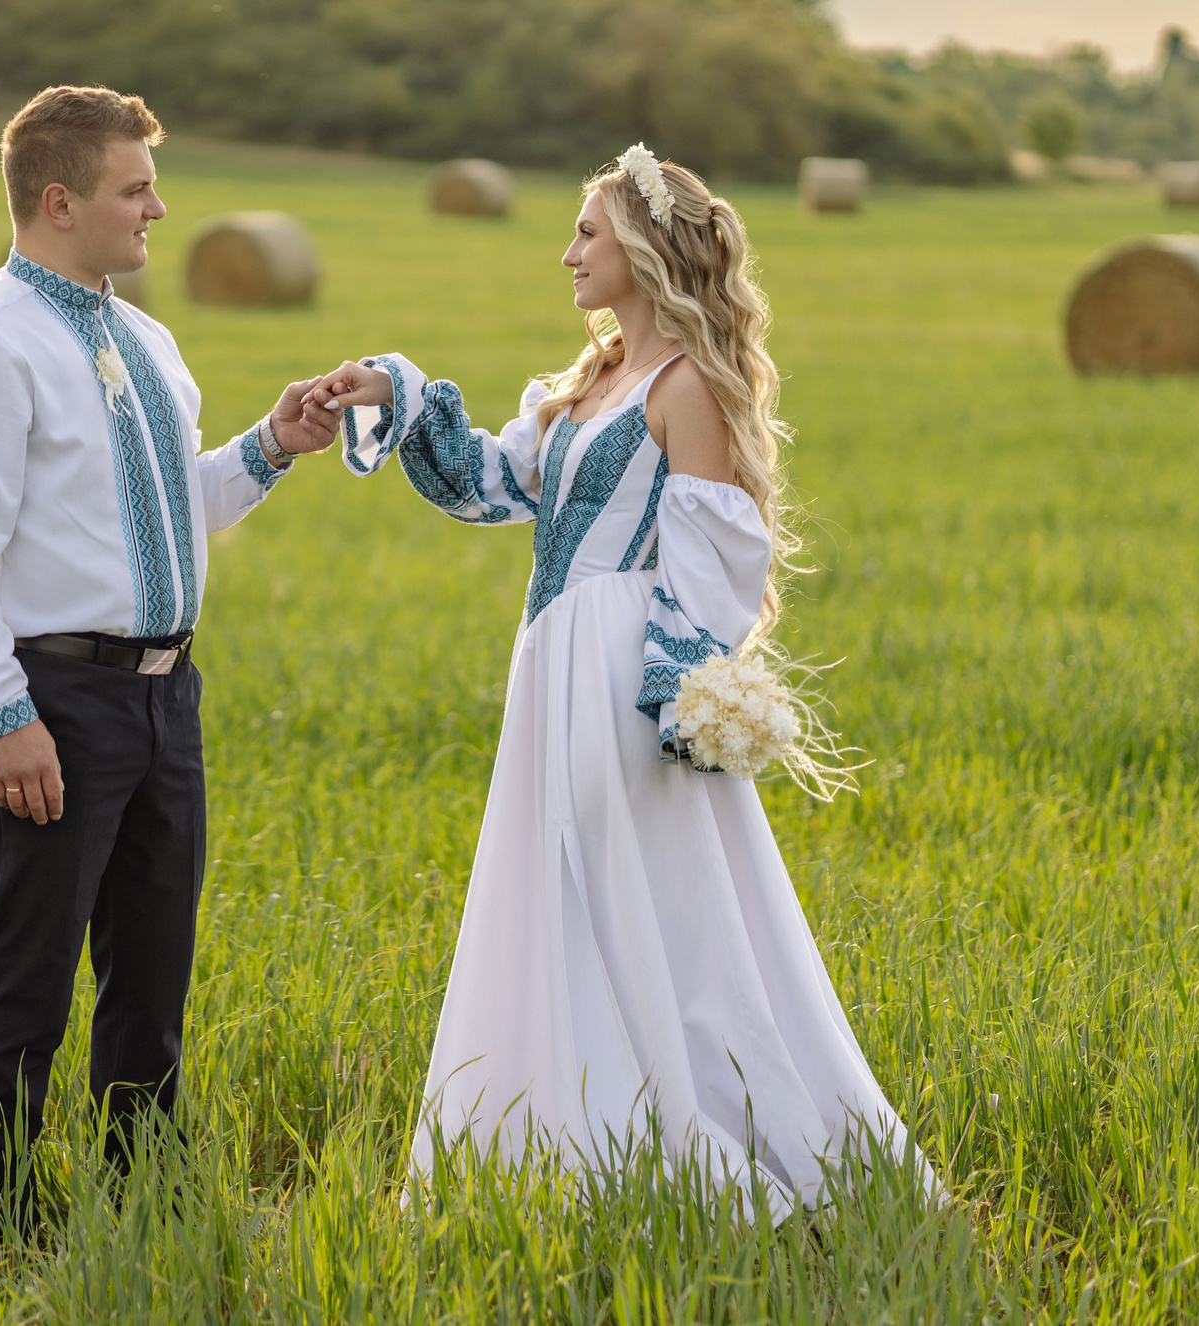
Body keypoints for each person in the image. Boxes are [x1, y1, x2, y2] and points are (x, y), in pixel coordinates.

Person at [300, 145, 935, 1211]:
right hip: (549, 662)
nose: (567, 255)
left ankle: (711, 1151)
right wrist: (396, 390)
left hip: (619, 670)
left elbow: (715, 561)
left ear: (642, 250)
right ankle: (565, 1147)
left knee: (651, 903)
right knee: (557, 891)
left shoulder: (688, 384)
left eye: (586, 234)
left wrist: (676, 693)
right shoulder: (589, 377)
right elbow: (495, 483)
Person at [0, 84, 341, 1228]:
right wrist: (1, 718)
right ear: (59, 200)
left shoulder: (144, 336)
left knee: (152, 972)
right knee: (30, 969)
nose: (159, 209)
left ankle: (141, 1190)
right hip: (53, 699)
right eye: (134, 188)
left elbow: (167, 508)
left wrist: (272, 445)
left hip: (165, 696)